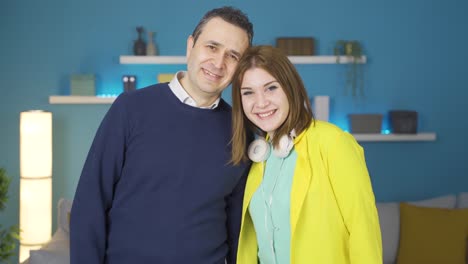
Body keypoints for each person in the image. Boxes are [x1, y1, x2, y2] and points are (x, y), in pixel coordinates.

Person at [70, 6, 254, 264]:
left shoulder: (242, 131)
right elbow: (90, 204)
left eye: (232, 55)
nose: (219, 63)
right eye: (212, 47)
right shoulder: (130, 108)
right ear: (191, 46)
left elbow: (238, 231)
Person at [230, 45, 382, 264]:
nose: (261, 102)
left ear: (290, 88)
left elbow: (363, 230)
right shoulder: (258, 158)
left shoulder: (333, 143)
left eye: (271, 88)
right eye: (248, 92)